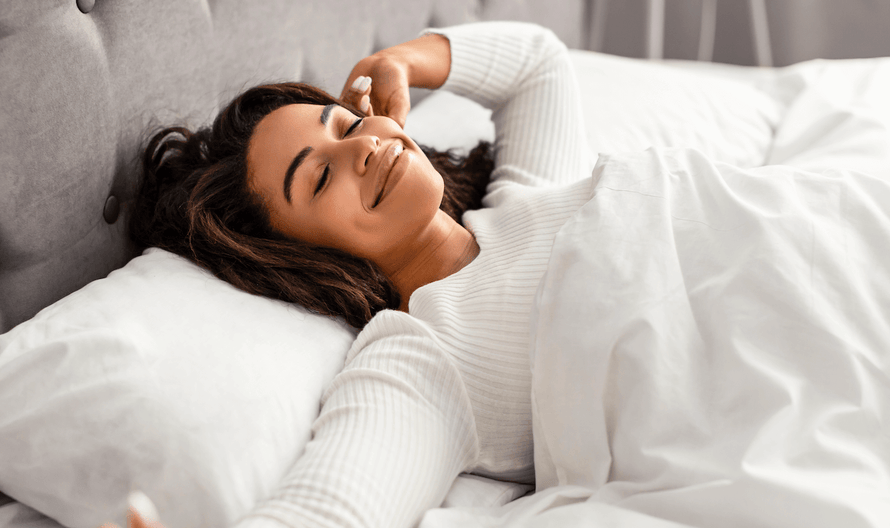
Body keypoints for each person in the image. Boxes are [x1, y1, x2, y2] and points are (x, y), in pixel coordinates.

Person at [127, 20, 593, 527]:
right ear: (304, 256)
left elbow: (538, 64)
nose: (363, 146)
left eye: (347, 124)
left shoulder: (529, 197)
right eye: (322, 177)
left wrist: (399, 61)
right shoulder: (426, 364)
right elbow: (330, 511)